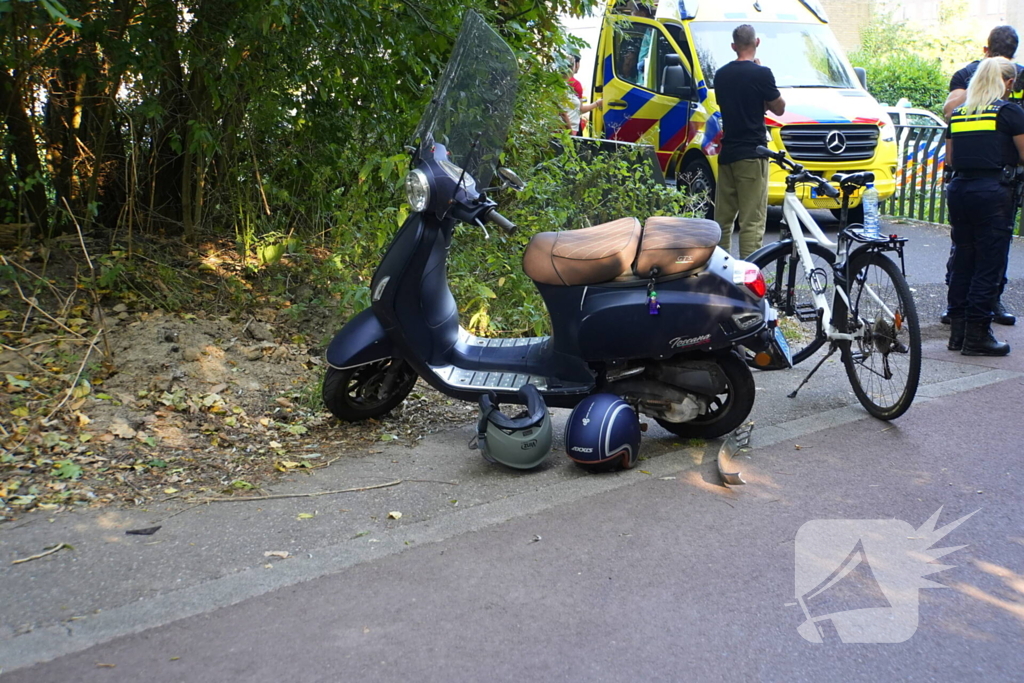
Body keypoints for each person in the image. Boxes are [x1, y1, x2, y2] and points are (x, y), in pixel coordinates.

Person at [941, 25, 1023, 326]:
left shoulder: (960, 114)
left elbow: (950, 157)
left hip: (961, 188)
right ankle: (978, 332)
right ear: (1008, 81)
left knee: (964, 255)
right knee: (990, 261)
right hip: (996, 191)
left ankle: (958, 326)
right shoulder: (1009, 111)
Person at [713, 24, 785, 259]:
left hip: (727, 155)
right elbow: (779, 108)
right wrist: (761, 76)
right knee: (752, 221)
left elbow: (736, 106)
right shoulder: (761, 74)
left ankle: (720, 274)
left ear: (733, 46)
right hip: (752, 155)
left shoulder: (721, 75)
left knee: (723, 220)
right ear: (757, 43)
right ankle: (749, 278)